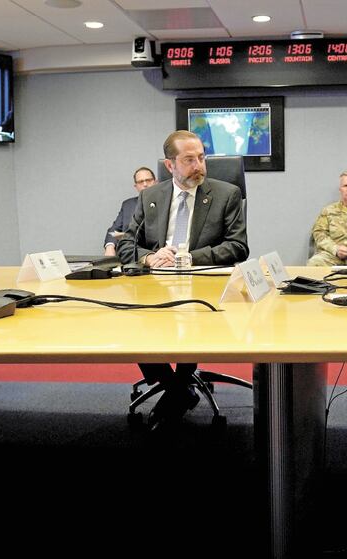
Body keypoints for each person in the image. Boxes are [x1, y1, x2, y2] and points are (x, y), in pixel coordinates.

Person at [119, 130, 248, 427]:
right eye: (189, 160)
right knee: (134, 319)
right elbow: (127, 243)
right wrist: (149, 257)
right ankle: (177, 386)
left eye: (201, 158)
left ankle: (176, 391)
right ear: (170, 166)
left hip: (203, 285)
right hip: (156, 284)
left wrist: (187, 257)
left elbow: (238, 246)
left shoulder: (226, 194)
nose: (199, 166)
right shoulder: (150, 196)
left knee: (193, 317)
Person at [103, 166, 156, 257]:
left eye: (148, 180)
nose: (145, 184)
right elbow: (113, 230)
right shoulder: (128, 204)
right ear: (136, 186)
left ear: (156, 182)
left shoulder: (165, 203)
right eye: (140, 182)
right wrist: (110, 247)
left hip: (154, 254)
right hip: (129, 255)